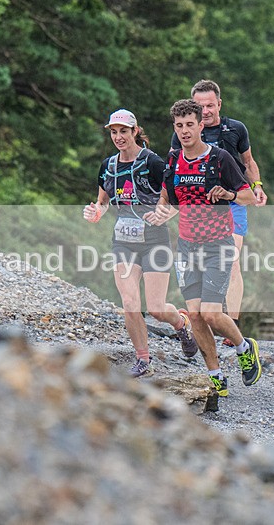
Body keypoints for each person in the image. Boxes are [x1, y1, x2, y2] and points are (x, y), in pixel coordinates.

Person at [150, 98, 263, 397]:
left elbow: (248, 198)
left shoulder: (221, 158)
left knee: (212, 313)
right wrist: (158, 214)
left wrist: (227, 193)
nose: (185, 131)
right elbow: (168, 199)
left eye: (190, 125)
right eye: (179, 126)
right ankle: (215, 374)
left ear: (201, 125)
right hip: (187, 246)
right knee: (196, 314)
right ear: (174, 128)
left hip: (218, 244)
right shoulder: (173, 161)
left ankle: (243, 347)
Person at [84, 108, 198, 377]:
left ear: (135, 131)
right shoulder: (108, 166)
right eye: (114, 132)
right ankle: (143, 360)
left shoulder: (153, 162)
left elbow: (178, 198)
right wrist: (95, 212)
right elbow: (102, 201)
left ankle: (181, 323)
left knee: (157, 309)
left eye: (124, 131)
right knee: (130, 303)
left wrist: (165, 213)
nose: (119, 137)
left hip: (154, 241)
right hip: (123, 241)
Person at [171, 80, 266, 346]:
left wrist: (257, 187)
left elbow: (248, 162)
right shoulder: (183, 131)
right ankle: (204, 318)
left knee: (232, 259)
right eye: (200, 106)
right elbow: (173, 168)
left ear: (219, 105)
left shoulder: (235, 129)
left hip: (232, 201)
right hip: (197, 207)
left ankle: (231, 323)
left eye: (210, 105)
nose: (206, 111)